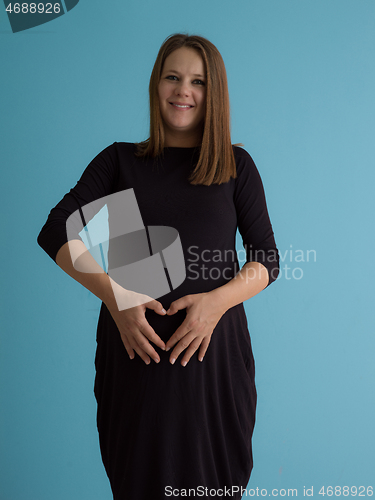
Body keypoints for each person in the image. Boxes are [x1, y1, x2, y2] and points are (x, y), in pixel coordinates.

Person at [37, 33, 280, 500]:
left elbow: (266, 258)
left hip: (213, 367)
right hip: (135, 362)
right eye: (172, 77)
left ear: (215, 93)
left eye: (197, 81)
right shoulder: (120, 162)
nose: (183, 90)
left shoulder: (234, 166)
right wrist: (119, 298)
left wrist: (214, 305)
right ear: (156, 84)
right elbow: (56, 231)